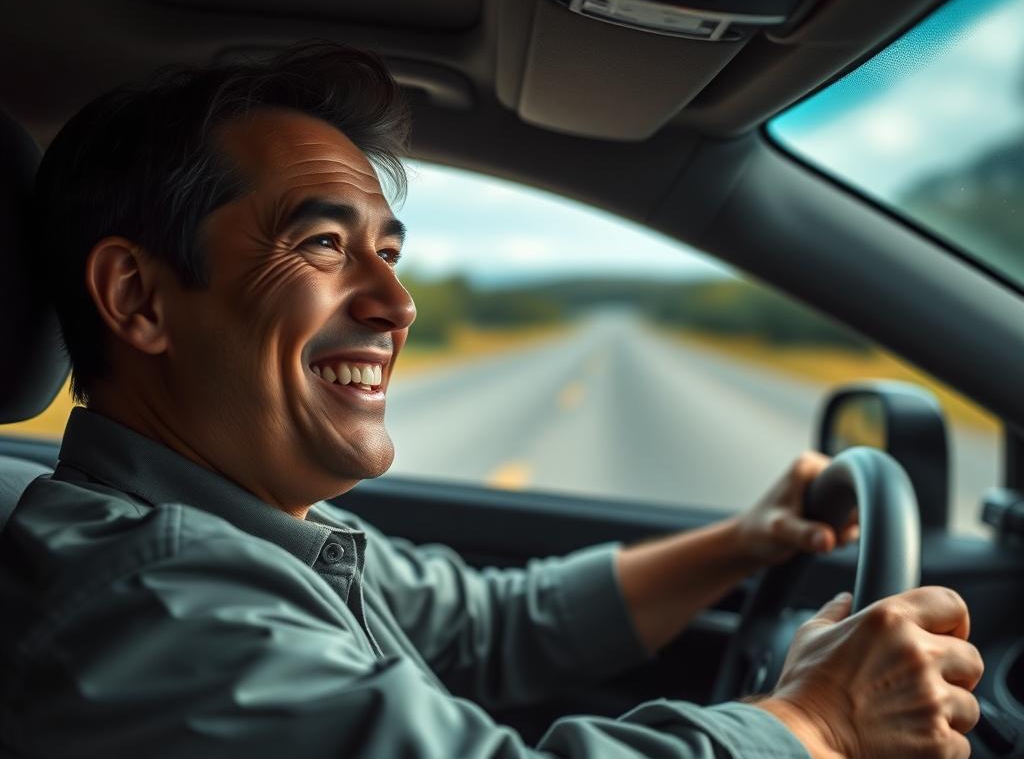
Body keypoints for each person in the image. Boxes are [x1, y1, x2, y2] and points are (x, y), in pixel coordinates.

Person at [0, 43, 981, 758]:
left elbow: (492, 625)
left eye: (386, 251)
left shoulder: (251, 535)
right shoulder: (150, 607)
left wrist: (747, 540)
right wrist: (815, 721)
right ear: (139, 299)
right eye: (324, 245)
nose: (396, 303)